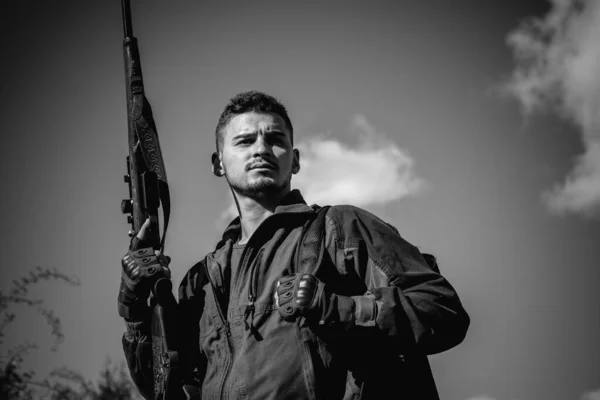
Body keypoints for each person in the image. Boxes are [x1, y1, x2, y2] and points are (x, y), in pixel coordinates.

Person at [118, 91, 470, 400]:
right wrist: (136, 311)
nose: (261, 149)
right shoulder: (201, 282)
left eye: (275, 139)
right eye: (244, 141)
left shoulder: (340, 228)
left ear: (295, 159)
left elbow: (443, 310)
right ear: (218, 164)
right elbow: (165, 388)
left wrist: (338, 308)